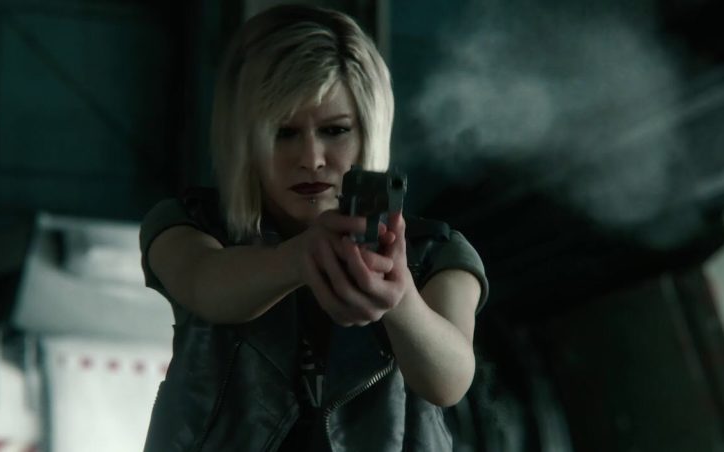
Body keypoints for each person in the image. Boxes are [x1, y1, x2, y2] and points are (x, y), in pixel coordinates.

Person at [139, 4, 488, 451]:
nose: (311, 158)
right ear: (246, 141)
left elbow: (449, 379)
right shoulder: (190, 224)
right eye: (284, 133)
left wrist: (399, 298)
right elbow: (205, 284)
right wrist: (301, 257)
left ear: (367, 131)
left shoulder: (434, 252)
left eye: (335, 130)